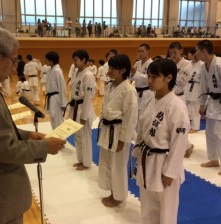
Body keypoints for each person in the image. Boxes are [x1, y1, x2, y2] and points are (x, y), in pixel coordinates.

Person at [0, 27, 66, 224]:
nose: (14, 68)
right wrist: (45, 147)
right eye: (13, 60)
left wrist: (27, 135)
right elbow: (5, 149)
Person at [133, 58, 190, 224]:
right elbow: (141, 130)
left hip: (165, 164)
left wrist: (170, 171)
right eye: (148, 76)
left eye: (154, 77)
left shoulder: (177, 106)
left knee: (167, 211)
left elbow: (179, 142)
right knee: (147, 206)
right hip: (147, 160)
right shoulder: (150, 99)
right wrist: (137, 154)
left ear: (168, 78)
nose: (149, 80)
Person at [98, 54, 138, 208]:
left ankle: (119, 196)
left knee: (118, 165)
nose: (109, 72)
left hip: (120, 131)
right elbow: (104, 109)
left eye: (113, 69)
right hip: (108, 129)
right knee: (107, 163)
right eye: (109, 68)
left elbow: (131, 117)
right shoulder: (109, 86)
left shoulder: (129, 89)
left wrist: (124, 139)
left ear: (123, 70)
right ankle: (113, 192)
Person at [67, 49, 95, 171]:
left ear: (84, 60)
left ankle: (87, 163)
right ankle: (80, 160)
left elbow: (88, 97)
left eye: (76, 60)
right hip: (75, 108)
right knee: (77, 136)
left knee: (85, 137)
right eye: (73, 60)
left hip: (84, 108)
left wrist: (84, 116)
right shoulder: (77, 72)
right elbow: (72, 92)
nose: (74, 63)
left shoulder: (88, 75)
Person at [196, 39, 221, 172]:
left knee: (219, 133)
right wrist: (201, 104)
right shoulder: (203, 66)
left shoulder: (219, 64)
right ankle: (213, 159)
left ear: (204, 51)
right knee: (210, 131)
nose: (196, 54)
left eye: (197, 51)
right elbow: (203, 87)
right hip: (212, 102)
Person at [168, 41, 194, 158]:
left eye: (175, 52)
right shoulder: (169, 63)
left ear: (181, 51)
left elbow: (182, 81)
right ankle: (184, 146)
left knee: (181, 123)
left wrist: (171, 74)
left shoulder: (187, 64)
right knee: (170, 123)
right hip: (169, 96)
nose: (173, 54)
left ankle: (187, 146)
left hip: (180, 96)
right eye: (170, 52)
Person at [44, 51, 67, 129]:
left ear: (51, 60)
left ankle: (60, 138)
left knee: (58, 120)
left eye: (46, 60)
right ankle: (55, 137)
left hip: (56, 98)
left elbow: (62, 87)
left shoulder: (57, 71)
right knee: (53, 118)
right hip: (51, 97)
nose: (45, 61)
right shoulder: (51, 70)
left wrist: (63, 104)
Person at [185, 48, 203, 133]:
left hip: (196, 86)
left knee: (195, 107)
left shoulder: (201, 64)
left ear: (193, 55)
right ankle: (188, 125)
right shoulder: (188, 63)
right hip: (187, 86)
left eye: (190, 53)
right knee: (187, 108)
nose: (188, 55)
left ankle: (195, 127)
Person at [131, 43, 154, 111]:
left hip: (147, 92)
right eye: (139, 51)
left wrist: (136, 73)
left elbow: (150, 79)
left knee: (145, 113)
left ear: (148, 51)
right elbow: (132, 76)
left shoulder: (152, 63)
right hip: (137, 91)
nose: (140, 53)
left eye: (142, 51)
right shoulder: (137, 63)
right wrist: (132, 74)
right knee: (136, 112)